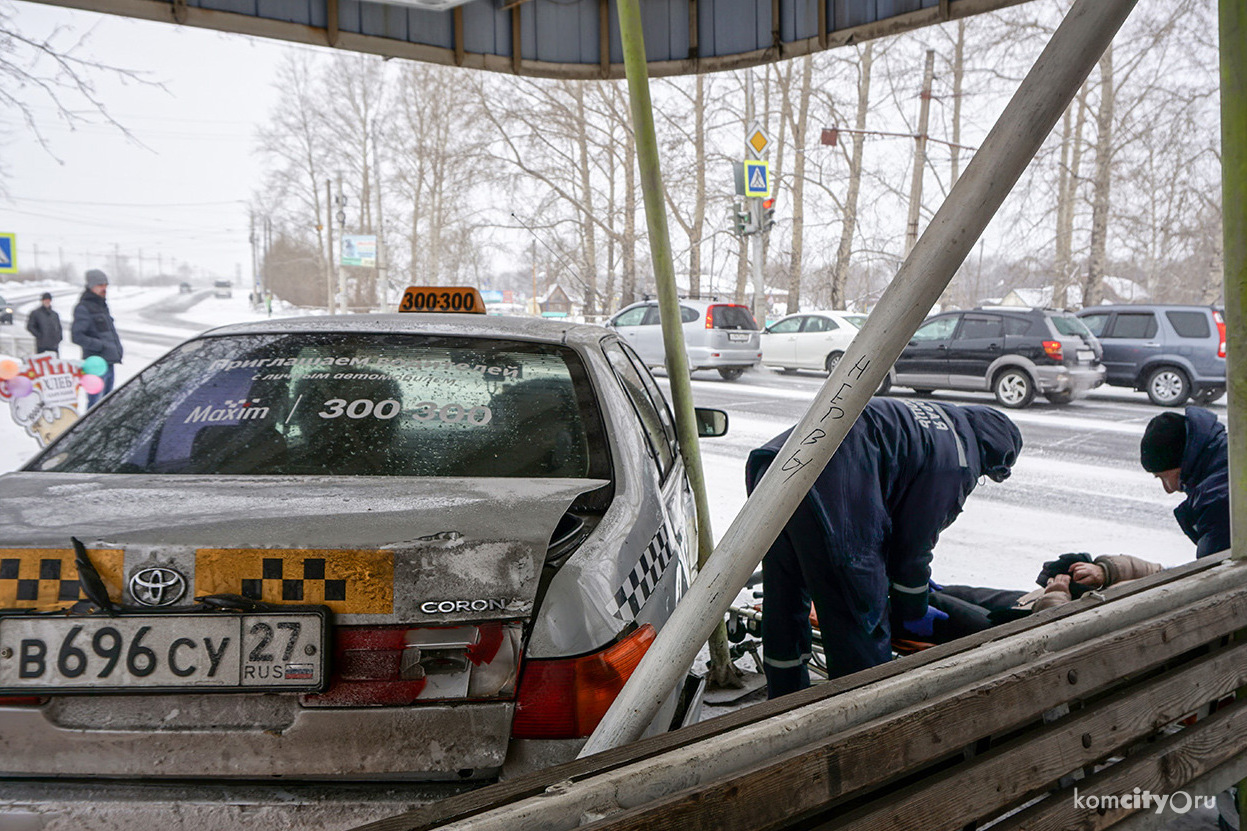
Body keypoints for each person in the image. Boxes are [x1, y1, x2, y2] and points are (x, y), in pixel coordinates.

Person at [746, 398, 1023, 698]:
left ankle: (783, 706)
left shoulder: (935, 420)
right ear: (996, 457)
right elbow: (913, 546)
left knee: (784, 602)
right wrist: (912, 609)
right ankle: (860, 726)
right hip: (831, 490)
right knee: (860, 620)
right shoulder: (959, 460)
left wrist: (903, 580)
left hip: (775, 468)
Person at [1139, 407, 1229, 558]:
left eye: (1165, 477)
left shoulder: (1215, 500)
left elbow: (1212, 572)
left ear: (1184, 463)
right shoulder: (1229, 452)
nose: (1169, 489)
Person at [71, 269, 124, 408]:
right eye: (100, 285)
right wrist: (100, 346)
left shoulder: (102, 306)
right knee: (95, 406)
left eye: (105, 285)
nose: (104, 288)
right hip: (95, 365)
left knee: (107, 404)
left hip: (109, 361)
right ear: (91, 286)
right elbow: (77, 336)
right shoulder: (83, 308)